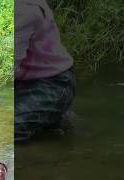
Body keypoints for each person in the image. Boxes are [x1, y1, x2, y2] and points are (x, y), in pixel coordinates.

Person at [15, 0, 76, 142]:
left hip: (53, 83)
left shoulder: (24, 10)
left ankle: (54, 117)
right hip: (28, 79)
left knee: (11, 130)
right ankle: (53, 120)